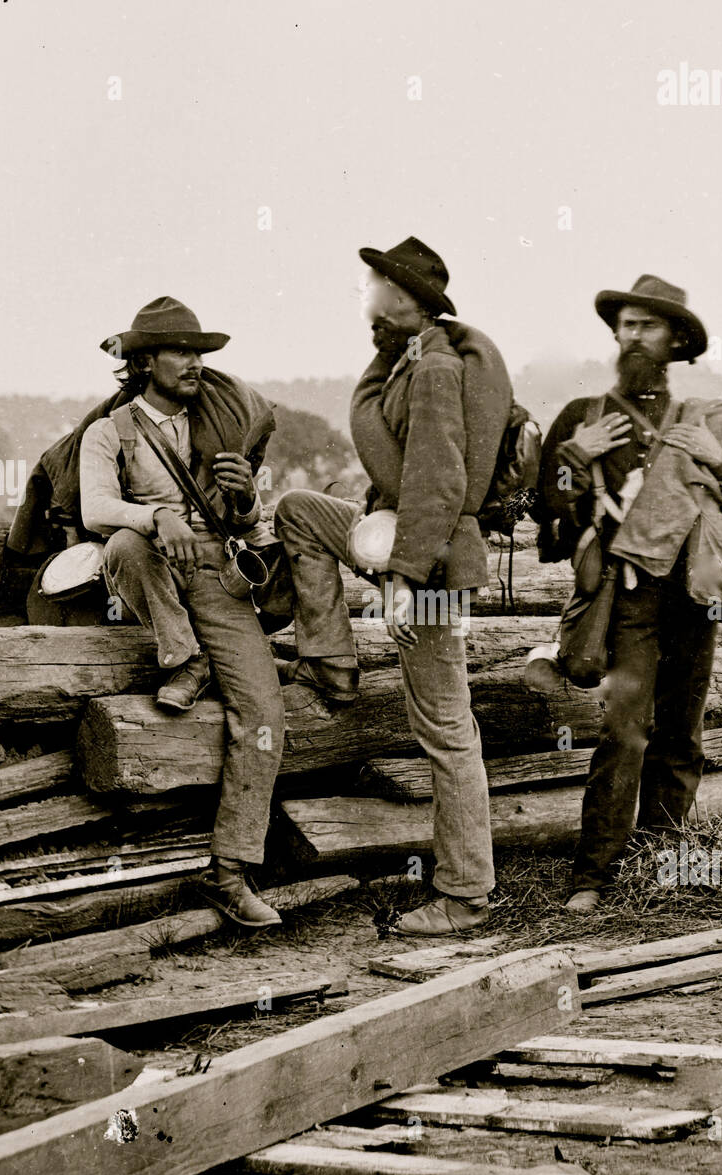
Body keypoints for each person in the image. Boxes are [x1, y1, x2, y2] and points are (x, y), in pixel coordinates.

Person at [534, 275, 722, 913]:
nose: (632, 336)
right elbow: (544, 510)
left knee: (682, 733)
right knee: (625, 733)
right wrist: (573, 455)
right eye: (624, 325)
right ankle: (592, 877)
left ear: (676, 341)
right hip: (624, 597)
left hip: (694, 593)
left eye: (647, 326)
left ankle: (664, 862)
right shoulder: (584, 418)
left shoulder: (711, 418)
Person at [274, 237, 512, 936]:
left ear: (403, 295)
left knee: (445, 728)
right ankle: (333, 661)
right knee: (298, 511)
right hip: (399, 535)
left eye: (373, 285)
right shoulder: (403, 359)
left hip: (432, 561)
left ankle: (465, 895)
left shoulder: (435, 368)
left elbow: (440, 483)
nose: (364, 296)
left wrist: (403, 579)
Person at [78, 295, 285, 928]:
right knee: (124, 543)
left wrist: (247, 500)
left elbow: (245, 523)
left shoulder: (219, 427)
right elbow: (95, 510)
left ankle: (230, 873)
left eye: (198, 351)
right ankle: (183, 656)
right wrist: (155, 514)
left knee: (264, 711)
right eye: (179, 351)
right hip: (152, 566)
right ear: (143, 362)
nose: (193, 362)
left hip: (217, 573)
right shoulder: (109, 432)